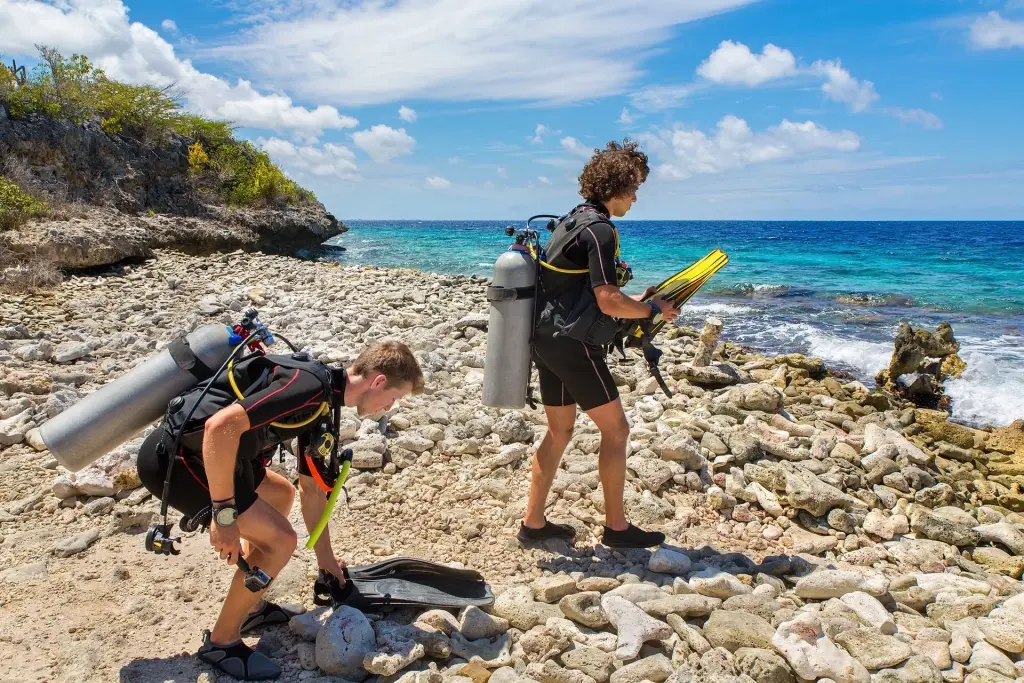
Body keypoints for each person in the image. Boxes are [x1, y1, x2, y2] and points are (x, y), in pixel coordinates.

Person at [137, 340, 425, 681]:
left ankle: (251, 607)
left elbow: (312, 489)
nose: (388, 407)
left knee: (281, 493)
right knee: (281, 541)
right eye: (394, 398)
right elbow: (220, 427)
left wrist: (327, 561)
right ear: (377, 382)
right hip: (180, 462)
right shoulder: (308, 386)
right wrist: (224, 514)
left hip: (222, 460)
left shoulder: (324, 403)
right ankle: (221, 641)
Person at [517, 139, 679, 550]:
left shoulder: (570, 221)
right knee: (617, 430)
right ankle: (616, 528)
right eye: (634, 188)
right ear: (617, 187)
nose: (636, 198)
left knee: (559, 431)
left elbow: (577, 292)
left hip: (545, 339)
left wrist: (641, 302)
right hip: (573, 346)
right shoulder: (601, 229)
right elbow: (606, 299)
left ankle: (533, 523)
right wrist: (652, 312)